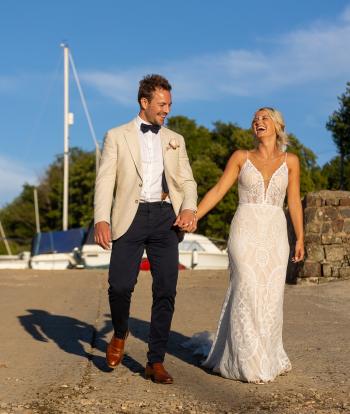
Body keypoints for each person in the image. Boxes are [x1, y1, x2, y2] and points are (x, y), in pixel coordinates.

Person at [187, 107, 304, 383]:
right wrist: (194, 215)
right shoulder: (241, 157)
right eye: (255, 119)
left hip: (275, 233)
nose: (258, 122)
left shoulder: (291, 162)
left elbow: (295, 201)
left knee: (270, 296)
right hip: (245, 230)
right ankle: (244, 361)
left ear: (277, 126)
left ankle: (267, 357)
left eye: (264, 118)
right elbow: (218, 190)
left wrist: (300, 236)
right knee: (247, 289)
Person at [94, 74, 197, 384]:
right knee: (120, 285)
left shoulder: (175, 139)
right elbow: (105, 180)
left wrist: (189, 207)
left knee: (166, 288)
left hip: (166, 218)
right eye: (162, 104)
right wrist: (102, 217)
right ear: (144, 102)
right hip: (131, 215)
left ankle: (156, 361)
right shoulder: (117, 136)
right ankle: (121, 333)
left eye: (169, 105)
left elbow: (188, 180)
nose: (166, 110)